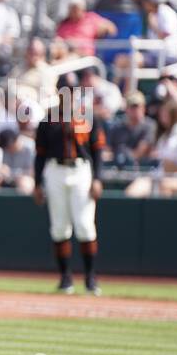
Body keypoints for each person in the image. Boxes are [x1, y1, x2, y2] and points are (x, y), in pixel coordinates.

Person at [33, 97, 107, 294]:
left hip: (81, 170)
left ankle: (90, 278)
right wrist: (37, 183)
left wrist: (98, 179)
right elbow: (40, 153)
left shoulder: (89, 116)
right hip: (55, 169)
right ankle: (65, 278)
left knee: (84, 226)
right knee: (59, 227)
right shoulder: (49, 119)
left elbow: (98, 151)